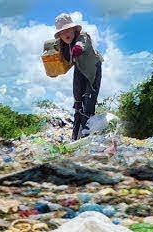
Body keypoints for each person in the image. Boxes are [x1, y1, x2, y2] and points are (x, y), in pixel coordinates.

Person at [53, 13, 103, 141]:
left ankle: (87, 135)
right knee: (77, 102)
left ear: (74, 29)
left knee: (88, 100)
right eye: (62, 32)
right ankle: (75, 137)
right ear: (59, 35)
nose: (66, 34)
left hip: (92, 70)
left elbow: (79, 47)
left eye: (68, 30)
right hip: (79, 70)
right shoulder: (63, 44)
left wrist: (74, 49)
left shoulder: (83, 37)